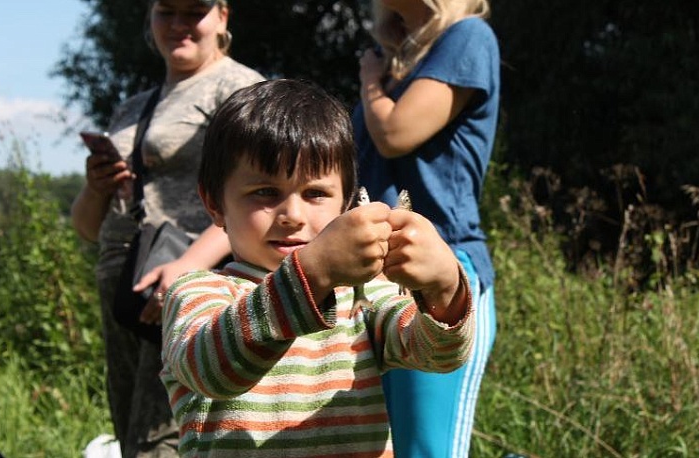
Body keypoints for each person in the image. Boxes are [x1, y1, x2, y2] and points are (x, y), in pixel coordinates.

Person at [158, 79, 477, 457]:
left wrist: (443, 287)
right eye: (264, 192)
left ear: (346, 203)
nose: (293, 215)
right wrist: (313, 272)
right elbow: (212, 370)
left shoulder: (364, 297)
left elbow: (439, 355)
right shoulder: (198, 293)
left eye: (315, 194)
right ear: (214, 203)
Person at [70, 1, 263, 456]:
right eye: (165, 11)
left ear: (222, 17)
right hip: (125, 287)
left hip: (186, 284)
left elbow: (259, 197)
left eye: (192, 11)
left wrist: (188, 267)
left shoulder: (239, 89)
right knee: (132, 434)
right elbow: (86, 227)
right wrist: (97, 188)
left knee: (166, 436)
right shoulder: (133, 108)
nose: (177, 24)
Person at [352, 0, 500, 456]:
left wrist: (370, 82)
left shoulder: (468, 37)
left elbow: (395, 133)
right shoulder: (393, 61)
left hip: (436, 275)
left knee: (424, 451)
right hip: (371, 279)